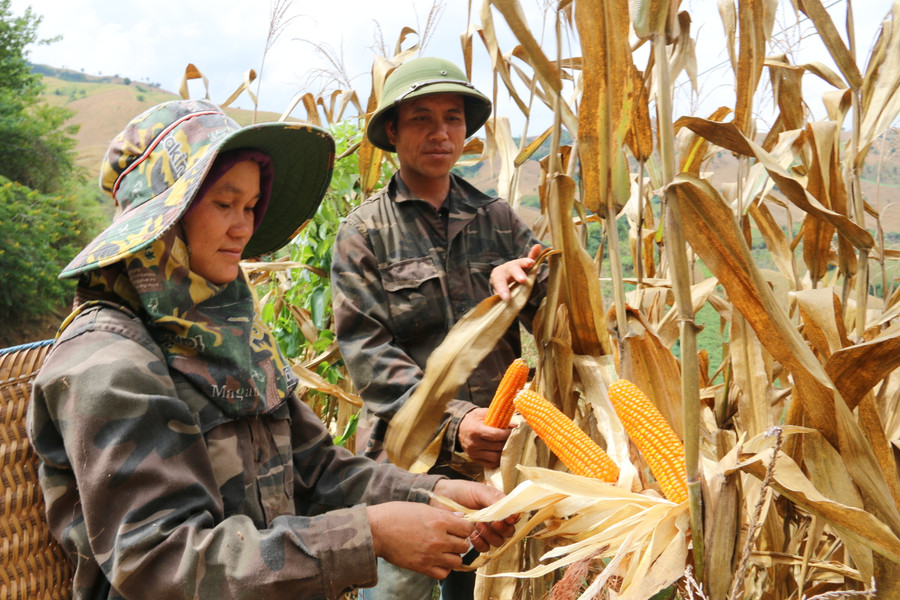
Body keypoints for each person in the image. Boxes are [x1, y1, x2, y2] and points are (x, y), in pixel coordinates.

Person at [27, 99, 516, 600]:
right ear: (165, 221)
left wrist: (431, 493)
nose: (243, 227)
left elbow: (317, 469)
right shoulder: (109, 363)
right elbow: (161, 563)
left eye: (250, 206)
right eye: (223, 203)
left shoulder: (233, 337)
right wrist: (368, 536)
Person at [331, 57, 548, 600]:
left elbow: (561, 323)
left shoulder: (499, 220)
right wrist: (458, 423)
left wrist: (530, 280)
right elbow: (369, 357)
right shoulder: (364, 233)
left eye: (453, 118)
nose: (440, 132)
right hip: (403, 470)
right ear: (392, 131)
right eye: (421, 118)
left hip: (497, 469)